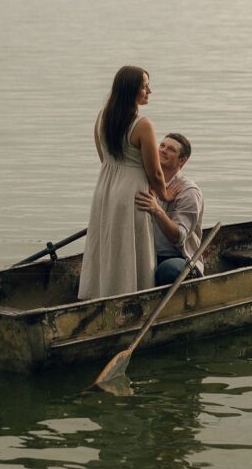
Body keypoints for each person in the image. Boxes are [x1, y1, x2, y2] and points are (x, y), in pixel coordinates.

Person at [78, 66, 178, 300]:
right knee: (130, 244)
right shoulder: (142, 125)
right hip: (132, 192)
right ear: (131, 89)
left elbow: (104, 157)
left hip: (105, 187)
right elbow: (154, 171)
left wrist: (117, 177)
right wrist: (165, 195)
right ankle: (132, 295)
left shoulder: (102, 117)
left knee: (107, 240)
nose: (149, 91)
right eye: (144, 86)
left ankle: (100, 292)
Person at [134, 133, 204, 286]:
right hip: (147, 253)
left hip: (179, 259)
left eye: (171, 149)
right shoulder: (145, 182)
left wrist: (157, 210)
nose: (163, 151)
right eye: (162, 146)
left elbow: (178, 237)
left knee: (168, 269)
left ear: (182, 161)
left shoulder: (189, 191)